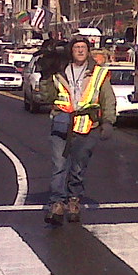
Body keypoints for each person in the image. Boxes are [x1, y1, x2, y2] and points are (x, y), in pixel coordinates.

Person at [40, 35, 116, 225]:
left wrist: (108, 122)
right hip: (61, 124)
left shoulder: (99, 73)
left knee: (78, 167)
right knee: (59, 166)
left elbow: (108, 99)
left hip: (87, 125)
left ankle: (73, 200)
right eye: (76, 47)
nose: (80, 50)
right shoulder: (60, 71)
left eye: (83, 47)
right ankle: (57, 203)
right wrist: (45, 75)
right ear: (71, 51)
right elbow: (47, 96)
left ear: (88, 51)